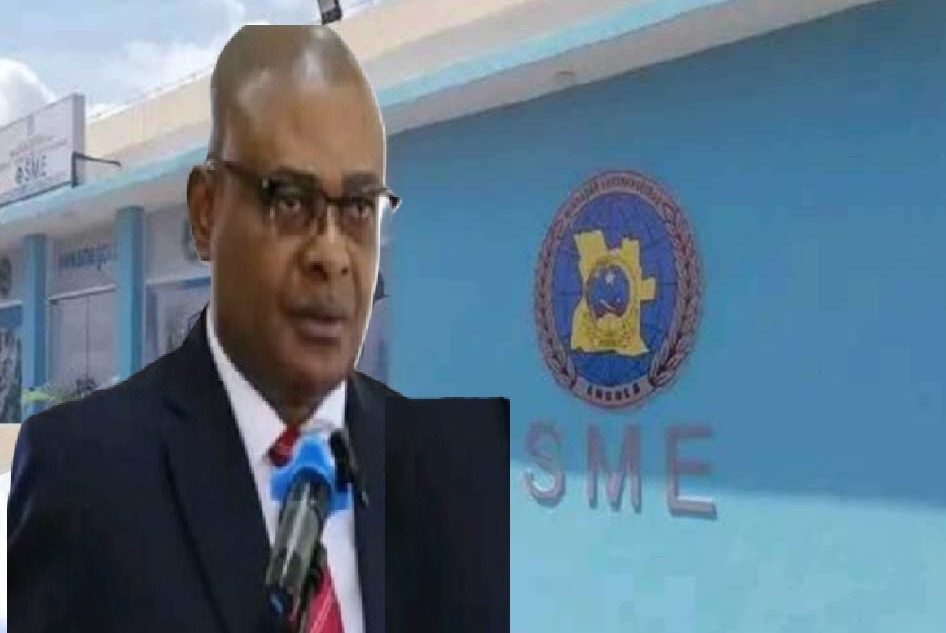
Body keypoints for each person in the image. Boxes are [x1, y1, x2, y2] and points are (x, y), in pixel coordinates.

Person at [8, 25, 508, 633]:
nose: (332, 254)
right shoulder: (81, 477)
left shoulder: (446, 478)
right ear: (205, 211)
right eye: (289, 200)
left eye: (358, 207)